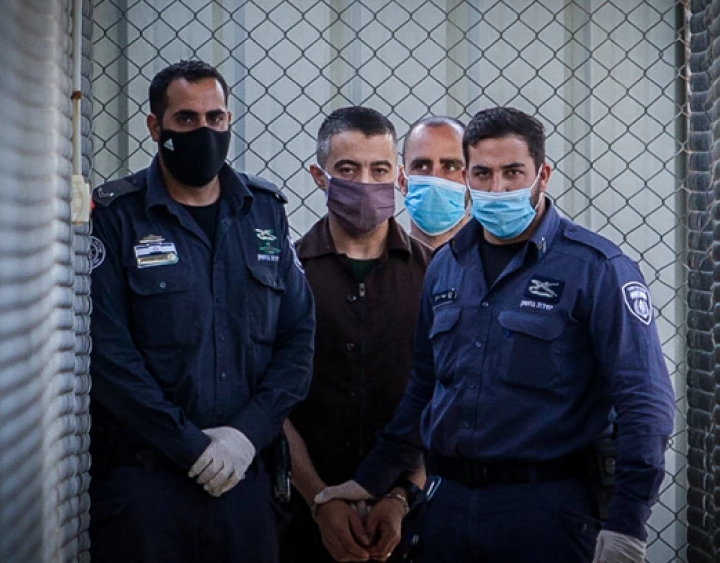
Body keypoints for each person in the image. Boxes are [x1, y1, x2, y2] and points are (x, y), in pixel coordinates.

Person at [314, 107, 675, 563]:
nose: (497, 188)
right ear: (467, 176)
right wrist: (370, 480)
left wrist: (626, 525)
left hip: (548, 510)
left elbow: (645, 403)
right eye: (482, 173)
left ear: (542, 175)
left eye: (512, 172)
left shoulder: (596, 269)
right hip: (447, 506)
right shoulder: (447, 266)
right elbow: (424, 389)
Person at [88, 59, 315, 563]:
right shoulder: (118, 217)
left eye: (216, 119)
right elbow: (109, 354)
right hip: (146, 485)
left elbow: (298, 338)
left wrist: (246, 435)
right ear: (155, 126)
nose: (205, 131)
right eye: (186, 120)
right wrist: (188, 444)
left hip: (243, 480)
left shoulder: (264, 210)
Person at [278, 106, 433, 563]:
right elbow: (272, 397)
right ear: (319, 175)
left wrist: (402, 495)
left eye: (379, 169)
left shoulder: (436, 275)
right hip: (301, 520)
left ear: (399, 177)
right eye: (348, 169)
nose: (365, 182)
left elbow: (448, 393)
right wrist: (321, 499)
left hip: (415, 519)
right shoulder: (285, 274)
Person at [397, 116, 470, 249]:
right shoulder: (384, 267)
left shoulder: (495, 266)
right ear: (402, 181)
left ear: (471, 180)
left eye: (450, 167)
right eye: (422, 166)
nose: (435, 179)